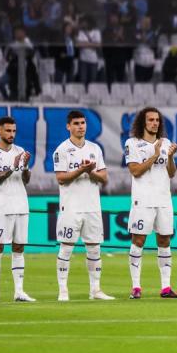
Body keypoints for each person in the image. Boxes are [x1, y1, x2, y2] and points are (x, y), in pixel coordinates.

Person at [53, 110, 114, 301]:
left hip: (92, 206)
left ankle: (95, 290)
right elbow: (61, 178)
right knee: (66, 248)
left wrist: (91, 172)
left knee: (94, 248)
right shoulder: (61, 150)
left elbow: (104, 177)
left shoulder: (95, 149)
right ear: (68, 126)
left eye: (83, 123)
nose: (81, 127)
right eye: (77, 123)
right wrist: (81, 170)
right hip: (71, 207)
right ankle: (63, 290)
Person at [124, 107, 177, 299]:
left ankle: (166, 287)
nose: (155, 123)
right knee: (138, 241)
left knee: (164, 240)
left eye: (157, 120)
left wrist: (170, 157)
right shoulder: (132, 143)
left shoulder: (165, 143)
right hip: (143, 200)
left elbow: (171, 173)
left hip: (164, 199)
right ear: (143, 122)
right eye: (150, 120)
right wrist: (154, 156)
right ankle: (136, 287)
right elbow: (135, 171)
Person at [0, 116, 34, 303]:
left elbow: (26, 180)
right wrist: (12, 167)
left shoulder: (20, 151)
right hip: (0, 206)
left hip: (20, 204)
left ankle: (19, 291)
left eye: (13, 130)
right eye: (8, 130)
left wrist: (26, 166)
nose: (12, 134)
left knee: (19, 248)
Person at [76, 17, 102, 85]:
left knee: (93, 80)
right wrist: (92, 44)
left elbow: (98, 44)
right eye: (83, 22)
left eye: (85, 22)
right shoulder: (81, 32)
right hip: (83, 60)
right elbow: (79, 44)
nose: (84, 24)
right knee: (82, 80)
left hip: (93, 60)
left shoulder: (96, 31)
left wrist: (84, 44)